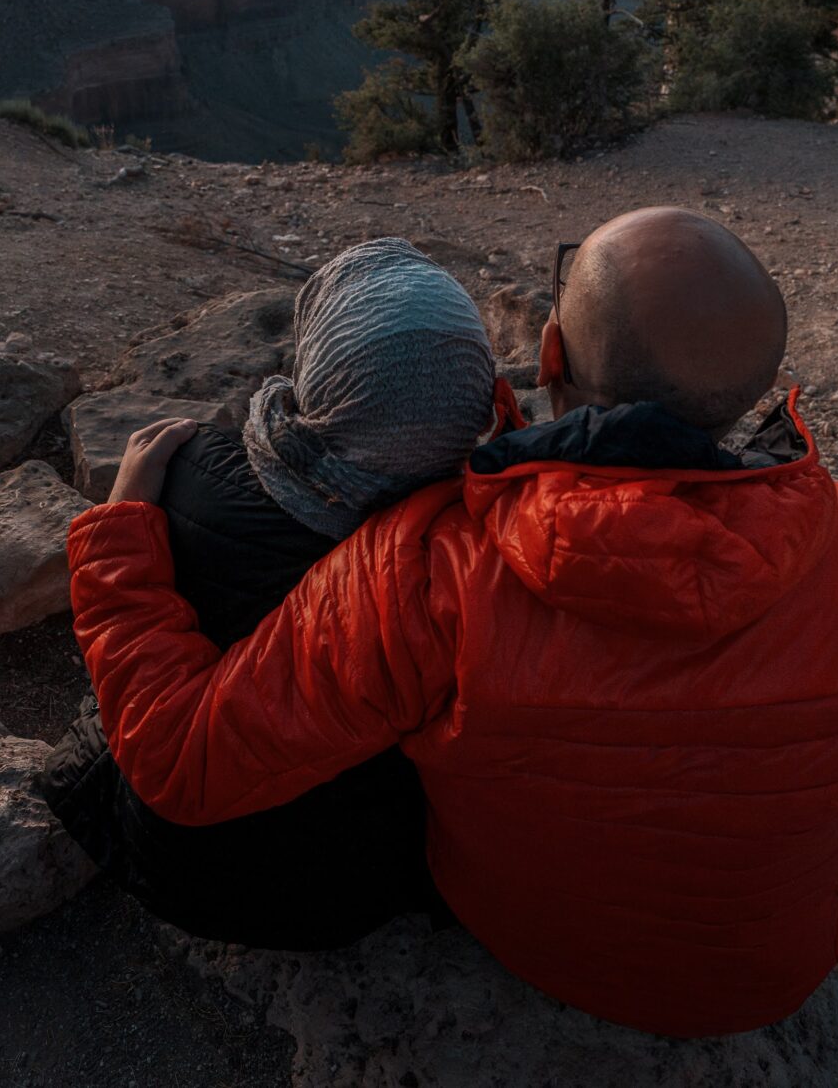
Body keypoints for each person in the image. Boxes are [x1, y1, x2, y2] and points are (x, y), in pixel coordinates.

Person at [68, 208, 838, 1038]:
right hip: (769, 979)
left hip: (533, 952)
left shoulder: (429, 568)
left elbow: (181, 762)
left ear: (547, 352)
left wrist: (116, 539)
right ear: (761, 388)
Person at [41, 236, 504, 948]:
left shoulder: (196, 474)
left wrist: (121, 518)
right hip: (368, 890)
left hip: (182, 868)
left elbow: (158, 720)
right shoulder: (486, 554)